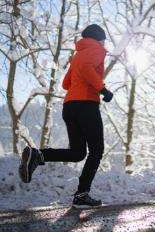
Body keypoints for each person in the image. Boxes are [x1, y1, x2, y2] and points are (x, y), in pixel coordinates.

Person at [18, 24, 113, 208]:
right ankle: (82, 195)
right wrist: (102, 89)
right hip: (86, 105)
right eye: (103, 39)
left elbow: (66, 83)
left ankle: (39, 155)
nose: (104, 42)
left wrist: (84, 86)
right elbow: (87, 69)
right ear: (98, 38)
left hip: (70, 106)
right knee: (97, 150)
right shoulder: (97, 50)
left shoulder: (78, 54)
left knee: (78, 153)